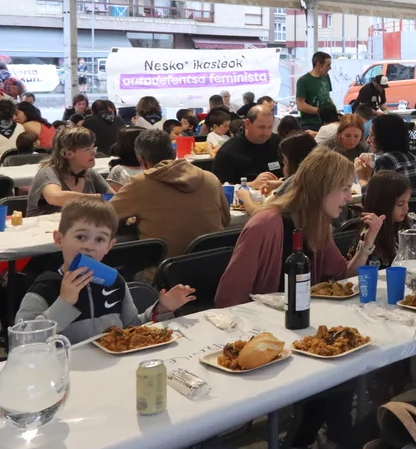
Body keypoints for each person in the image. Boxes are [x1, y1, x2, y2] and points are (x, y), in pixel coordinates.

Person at [15, 198, 195, 344]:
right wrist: (63, 303)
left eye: (100, 239)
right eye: (80, 237)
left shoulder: (115, 282)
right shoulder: (44, 288)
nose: (89, 246)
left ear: (109, 246)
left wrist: (162, 308)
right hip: (65, 370)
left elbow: (132, 327)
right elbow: (22, 342)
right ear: (59, 239)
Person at [215, 147, 368, 307]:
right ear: (321, 189)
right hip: (263, 318)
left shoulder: (317, 223)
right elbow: (229, 298)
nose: (349, 197)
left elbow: (342, 275)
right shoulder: (264, 224)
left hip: (302, 315)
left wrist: (366, 245)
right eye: (345, 189)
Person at [110, 129, 231, 259]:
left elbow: (104, 217)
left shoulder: (140, 183)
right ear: (174, 152)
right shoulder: (210, 178)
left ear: (142, 161)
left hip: (164, 267)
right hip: (214, 263)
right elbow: (225, 220)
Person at [27, 127, 110, 217]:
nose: (94, 153)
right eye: (87, 149)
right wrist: (96, 198)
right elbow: (55, 197)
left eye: (93, 148)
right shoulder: (48, 173)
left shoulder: (90, 173)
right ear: (69, 154)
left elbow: (113, 198)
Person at [235, 133, 318, 211]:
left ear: (295, 162)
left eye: (285, 162)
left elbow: (259, 212)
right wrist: (281, 183)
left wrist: (246, 197)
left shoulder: (294, 181)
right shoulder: (318, 178)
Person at [348, 170, 413, 267]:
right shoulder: (370, 234)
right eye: (400, 204)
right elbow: (359, 272)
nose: (406, 208)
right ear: (383, 204)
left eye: (408, 202)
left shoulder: (410, 222)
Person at [212, 106, 282, 185]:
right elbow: (219, 187)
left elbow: (291, 177)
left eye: (270, 127)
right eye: (261, 127)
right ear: (247, 123)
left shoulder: (279, 144)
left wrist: (280, 183)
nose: (266, 133)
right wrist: (251, 184)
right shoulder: (228, 151)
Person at [356, 113, 416, 195]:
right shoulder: (411, 156)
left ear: (385, 137)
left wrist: (363, 179)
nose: (368, 140)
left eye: (372, 135)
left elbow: (370, 200)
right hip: (413, 204)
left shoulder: (384, 160)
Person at [295, 52, 334, 131]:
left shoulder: (326, 77)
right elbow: (300, 105)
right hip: (311, 124)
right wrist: (320, 111)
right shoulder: (303, 81)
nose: (330, 68)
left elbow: (327, 97)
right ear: (318, 64)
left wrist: (334, 111)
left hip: (327, 122)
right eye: (328, 65)